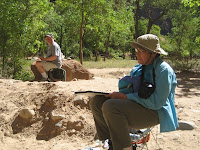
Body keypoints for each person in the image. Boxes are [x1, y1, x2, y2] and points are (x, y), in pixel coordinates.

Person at [89, 34, 178, 150]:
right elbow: (131, 92)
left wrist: (125, 98)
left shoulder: (163, 71)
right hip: (138, 106)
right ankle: (111, 141)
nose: (137, 54)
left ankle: (125, 148)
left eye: (141, 51)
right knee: (97, 101)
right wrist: (118, 95)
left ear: (153, 53)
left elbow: (157, 102)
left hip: (155, 112)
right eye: (137, 50)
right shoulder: (138, 69)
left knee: (110, 106)